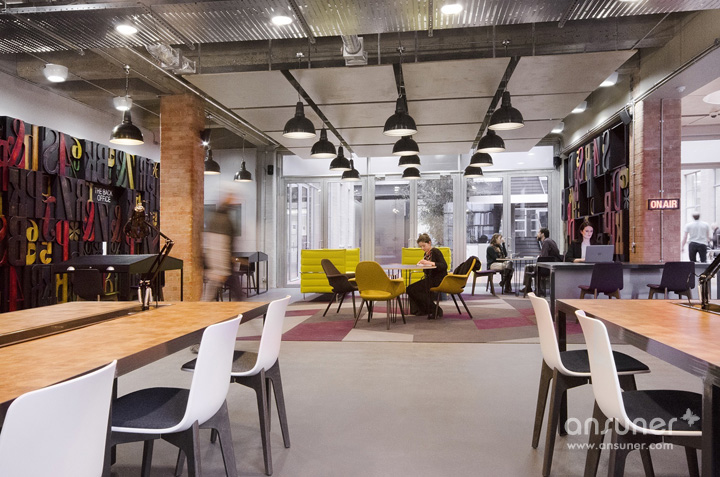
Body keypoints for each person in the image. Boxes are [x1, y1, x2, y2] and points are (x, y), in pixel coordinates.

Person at [202, 192, 241, 301]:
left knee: (210, 293)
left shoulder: (219, 218)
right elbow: (220, 244)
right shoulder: (222, 220)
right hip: (220, 263)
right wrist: (221, 267)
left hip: (222, 263)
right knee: (210, 293)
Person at [407, 233, 448, 319]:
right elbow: (427, 270)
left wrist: (429, 263)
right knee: (410, 288)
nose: (422, 248)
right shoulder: (426, 254)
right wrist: (422, 264)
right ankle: (425, 309)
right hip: (431, 279)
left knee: (412, 289)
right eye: (420, 247)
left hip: (439, 279)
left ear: (429, 243)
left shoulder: (435, 252)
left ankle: (435, 309)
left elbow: (444, 266)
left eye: (423, 246)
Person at [520, 228, 562, 295]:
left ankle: (532, 288)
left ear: (542, 234)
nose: (537, 234)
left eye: (538, 233)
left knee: (528, 267)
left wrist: (539, 257)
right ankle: (533, 288)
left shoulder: (546, 242)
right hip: (552, 265)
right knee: (530, 267)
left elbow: (544, 256)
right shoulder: (551, 241)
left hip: (547, 267)